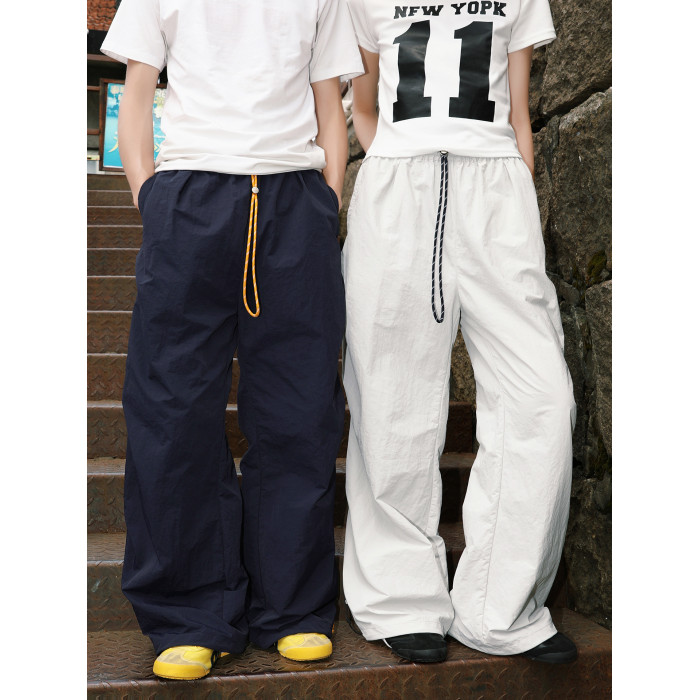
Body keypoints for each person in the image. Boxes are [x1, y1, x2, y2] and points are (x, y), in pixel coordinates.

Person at [100, 0, 363, 681]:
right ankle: (189, 614)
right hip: (189, 195)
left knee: (299, 410)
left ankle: (292, 607)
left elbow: (329, 99)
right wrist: (150, 198)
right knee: (172, 411)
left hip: (293, 199)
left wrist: (327, 199)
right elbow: (138, 91)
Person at [342, 0, 578, 664]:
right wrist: (393, 164)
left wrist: (518, 200)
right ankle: (401, 599)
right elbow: (364, 105)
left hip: (496, 189)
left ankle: (499, 608)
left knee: (541, 397)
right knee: (391, 398)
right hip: (399, 187)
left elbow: (519, 113)